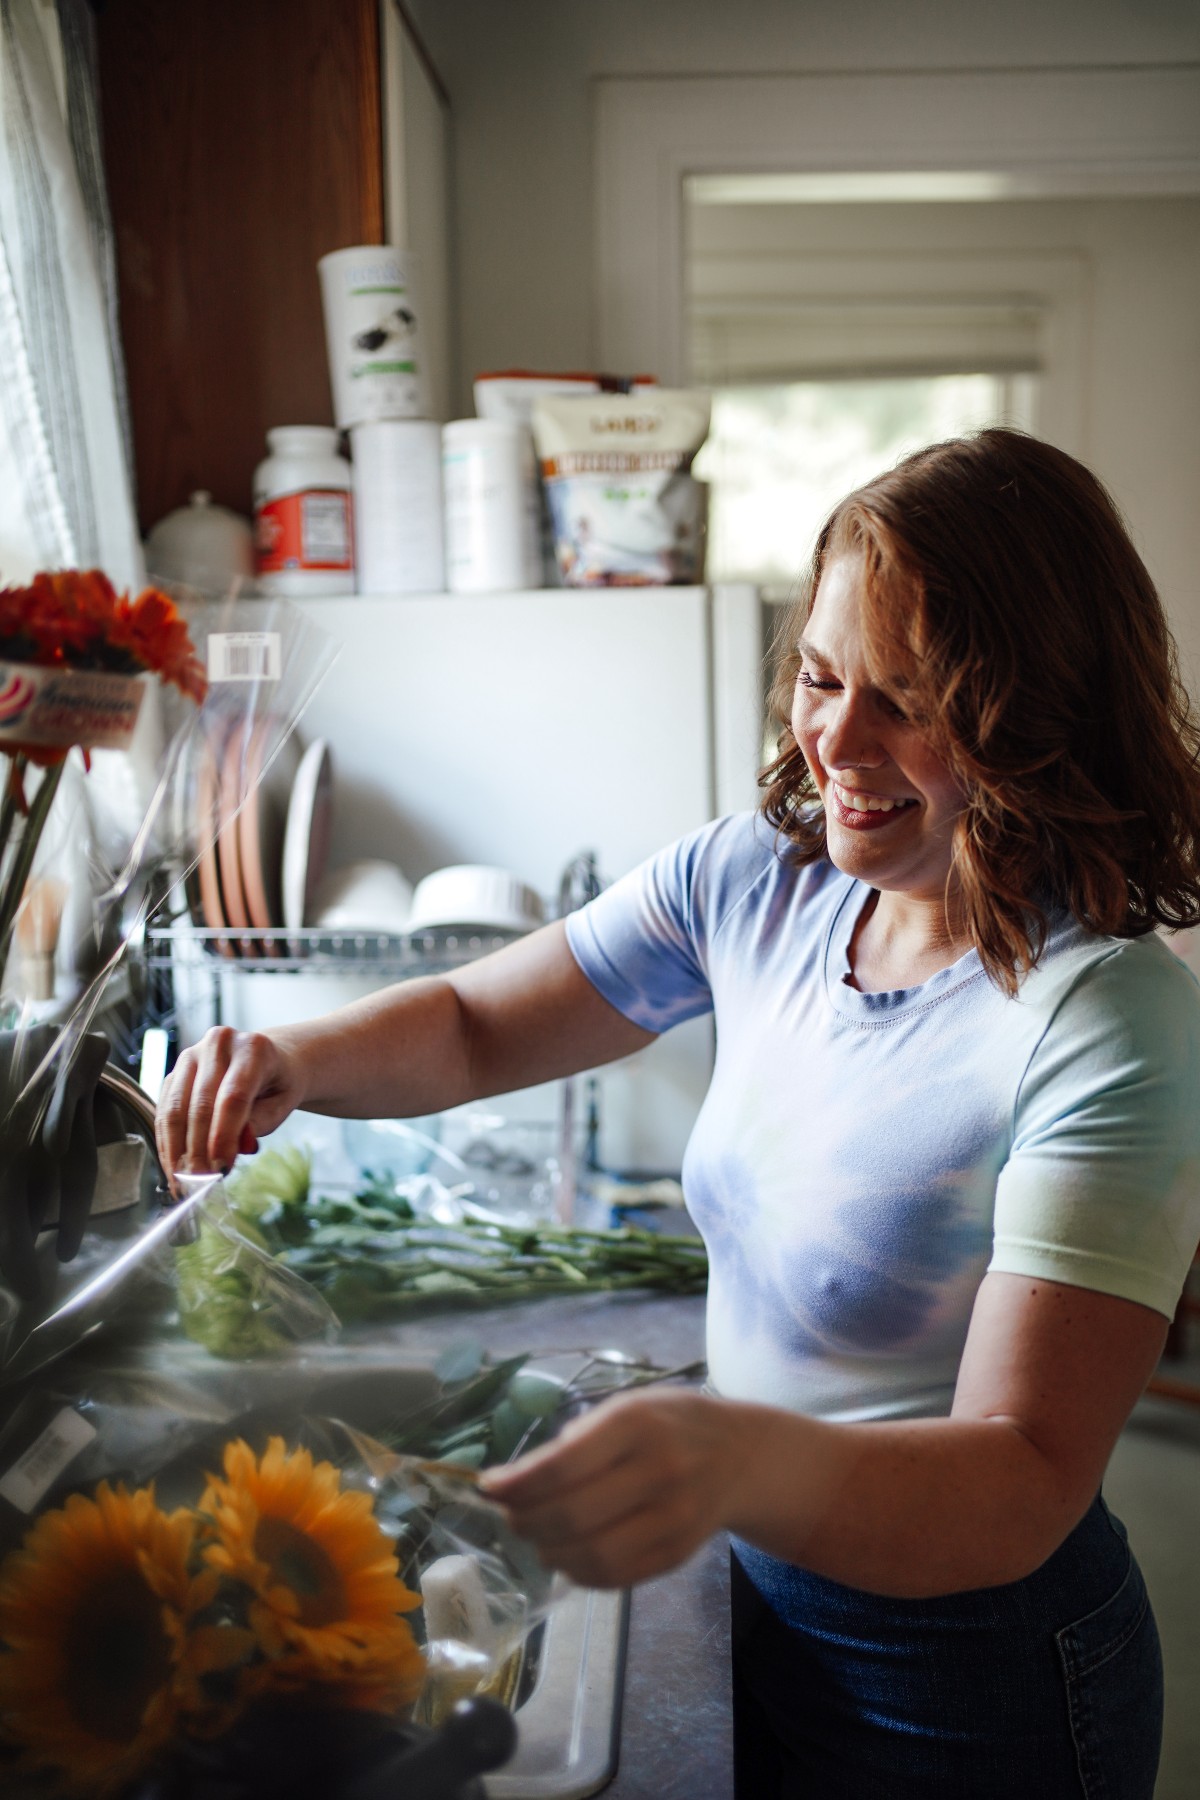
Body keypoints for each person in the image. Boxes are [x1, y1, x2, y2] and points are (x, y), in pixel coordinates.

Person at [156, 429, 1200, 1800]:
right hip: (766, 1589)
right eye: (821, 677)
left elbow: (1021, 1480)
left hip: (973, 1672)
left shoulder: (1106, 1019)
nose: (834, 738)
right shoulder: (762, 880)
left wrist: (733, 1458)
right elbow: (476, 1023)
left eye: (906, 701)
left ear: (1034, 712)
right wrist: (292, 1057)